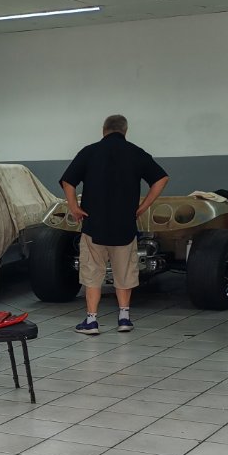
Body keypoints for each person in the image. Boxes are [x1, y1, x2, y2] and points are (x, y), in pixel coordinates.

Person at [60, 114, 168, 335]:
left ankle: (91, 321)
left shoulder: (89, 151)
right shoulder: (136, 152)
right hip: (124, 226)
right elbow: (161, 179)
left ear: (104, 130)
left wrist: (74, 207)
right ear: (125, 131)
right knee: (124, 272)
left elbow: (67, 181)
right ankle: (124, 319)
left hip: (94, 225)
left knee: (92, 273)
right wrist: (143, 206)